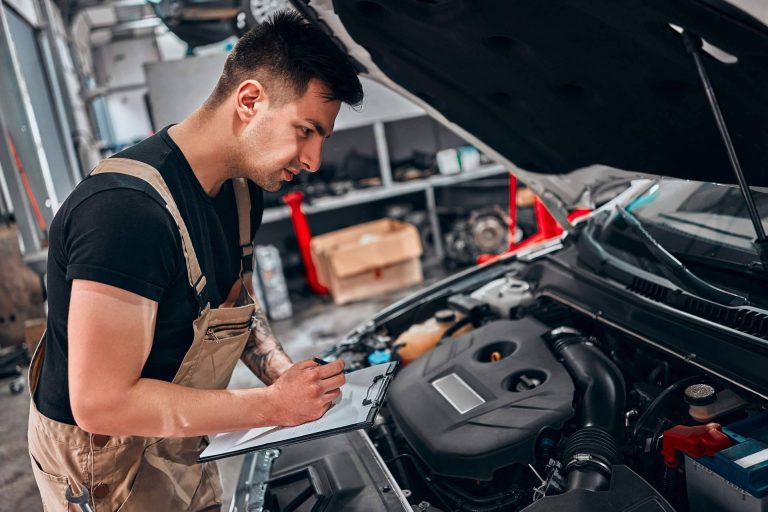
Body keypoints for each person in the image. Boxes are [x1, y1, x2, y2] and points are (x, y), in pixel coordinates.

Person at [27, 11, 364, 511]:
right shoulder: (124, 213)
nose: (313, 159)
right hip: (101, 461)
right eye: (306, 130)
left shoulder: (243, 191)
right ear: (249, 100)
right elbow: (101, 403)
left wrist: (293, 385)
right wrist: (269, 407)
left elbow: (235, 306)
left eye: (322, 138)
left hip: (180, 429)